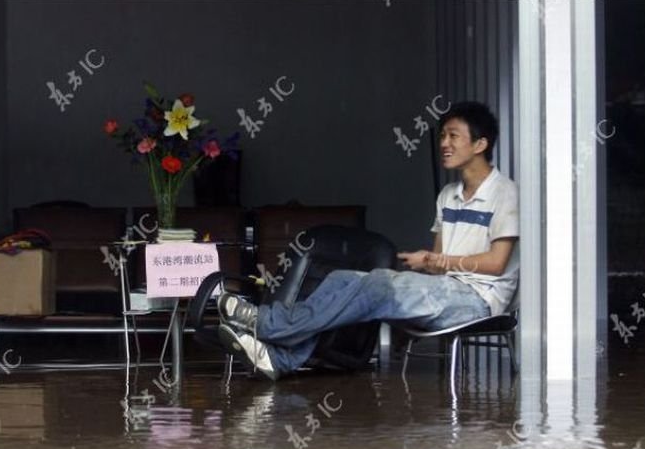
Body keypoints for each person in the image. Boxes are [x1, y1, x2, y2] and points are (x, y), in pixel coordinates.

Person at [216, 101, 519, 380]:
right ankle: (276, 359)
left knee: (377, 284)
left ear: (481, 144)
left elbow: (496, 264)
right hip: (446, 290)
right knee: (340, 280)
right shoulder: (447, 196)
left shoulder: (504, 193)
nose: (443, 144)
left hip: (478, 301)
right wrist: (427, 265)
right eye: (442, 136)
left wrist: (433, 261)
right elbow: (439, 268)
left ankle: (266, 324)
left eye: (453, 136)